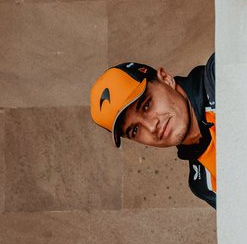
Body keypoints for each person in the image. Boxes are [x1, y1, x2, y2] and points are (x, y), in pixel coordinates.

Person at [90, 54, 216, 208]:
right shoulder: (204, 184)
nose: (151, 127)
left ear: (165, 78)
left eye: (147, 105)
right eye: (135, 130)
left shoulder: (219, 78)